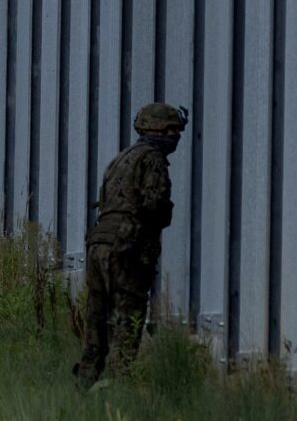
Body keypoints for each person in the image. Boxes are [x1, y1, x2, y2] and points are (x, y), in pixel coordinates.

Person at [72, 102, 188, 386]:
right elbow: (153, 204)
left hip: (99, 243)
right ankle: (118, 387)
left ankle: (85, 383)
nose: (175, 136)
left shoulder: (121, 159)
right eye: (172, 130)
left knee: (96, 320)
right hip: (126, 248)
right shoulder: (153, 160)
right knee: (128, 320)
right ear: (160, 130)